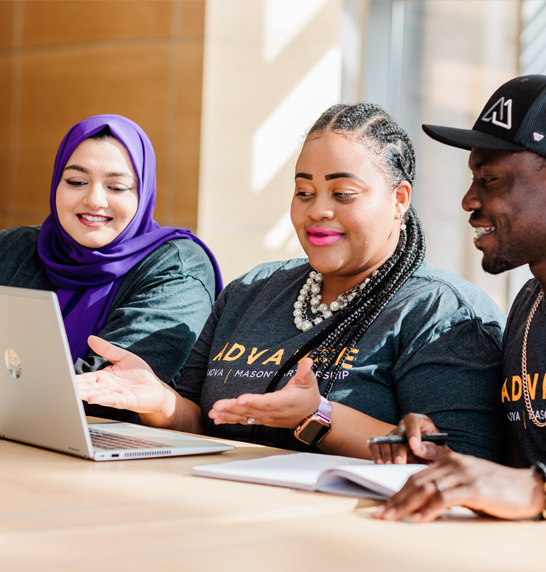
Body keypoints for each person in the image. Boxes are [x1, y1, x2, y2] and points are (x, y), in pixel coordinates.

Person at [76, 104, 506, 460]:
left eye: (342, 194)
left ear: (399, 200)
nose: (318, 210)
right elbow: (201, 424)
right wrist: (158, 401)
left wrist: (319, 416)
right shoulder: (251, 290)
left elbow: (464, 464)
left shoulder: (441, 312)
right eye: (304, 192)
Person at [373, 74, 546, 522]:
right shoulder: (530, 303)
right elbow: (527, 461)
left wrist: (536, 490)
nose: (468, 200)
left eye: (490, 179)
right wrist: (441, 451)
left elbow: (533, 482)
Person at [0, 114, 222, 422]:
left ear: (142, 194)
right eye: (77, 182)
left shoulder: (176, 266)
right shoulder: (13, 247)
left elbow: (108, 386)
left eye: (116, 187)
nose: (94, 199)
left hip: (117, 455)